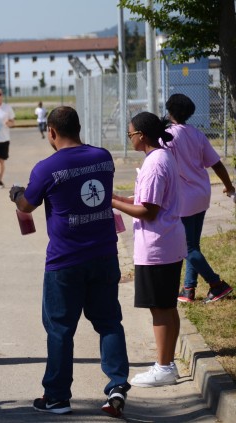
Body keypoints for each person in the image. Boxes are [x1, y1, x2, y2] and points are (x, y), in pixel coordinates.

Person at [9, 106, 130, 418]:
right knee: (108, 322)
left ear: (51, 132)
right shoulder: (103, 157)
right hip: (104, 254)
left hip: (65, 260)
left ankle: (57, 397)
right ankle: (117, 384)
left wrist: (17, 194)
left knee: (60, 329)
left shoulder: (47, 168)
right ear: (79, 127)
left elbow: (27, 204)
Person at [112, 112, 187, 388]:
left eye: (130, 134)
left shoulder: (155, 163)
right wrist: (121, 198)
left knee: (160, 308)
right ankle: (167, 362)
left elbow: (148, 210)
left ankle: (164, 367)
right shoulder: (159, 157)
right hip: (165, 243)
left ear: (141, 135)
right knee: (167, 306)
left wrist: (114, 203)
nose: (129, 138)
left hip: (158, 246)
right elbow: (146, 198)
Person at [163, 94, 235, 303]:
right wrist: (229, 186)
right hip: (201, 194)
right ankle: (188, 289)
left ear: (169, 110)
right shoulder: (197, 134)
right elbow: (217, 164)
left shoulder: (167, 136)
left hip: (183, 199)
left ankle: (217, 285)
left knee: (187, 247)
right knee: (193, 245)